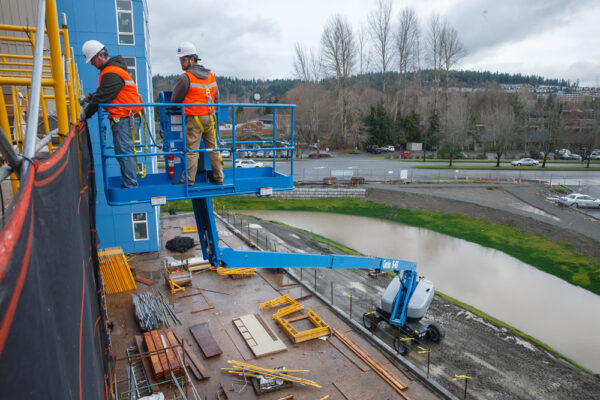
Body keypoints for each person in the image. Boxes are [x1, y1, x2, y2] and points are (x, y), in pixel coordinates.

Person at [79, 40, 141, 188]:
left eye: (93, 60)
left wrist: (85, 115)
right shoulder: (113, 70)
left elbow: (103, 96)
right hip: (125, 116)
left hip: (125, 117)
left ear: (100, 55)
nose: (92, 64)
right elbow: (105, 92)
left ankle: (131, 184)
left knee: (124, 151)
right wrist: (89, 97)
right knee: (123, 151)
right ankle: (130, 181)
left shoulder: (111, 72)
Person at [170, 41, 223, 186]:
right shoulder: (210, 76)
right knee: (213, 148)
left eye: (183, 59)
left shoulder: (185, 77)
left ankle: (188, 180)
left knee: (192, 151)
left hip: (194, 119)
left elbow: (175, 99)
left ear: (192, 59)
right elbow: (216, 97)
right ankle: (219, 177)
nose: (181, 63)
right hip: (210, 117)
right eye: (180, 60)